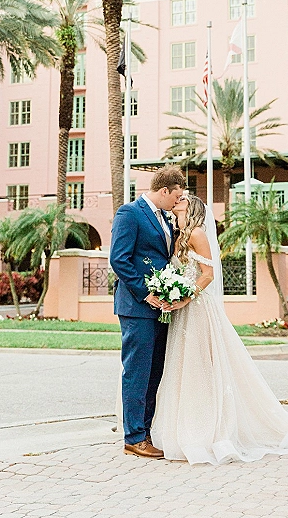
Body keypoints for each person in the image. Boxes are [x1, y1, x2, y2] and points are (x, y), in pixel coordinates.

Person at [151, 194, 288, 465]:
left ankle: (211, 429)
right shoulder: (178, 237)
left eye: (184, 199)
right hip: (180, 313)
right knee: (183, 368)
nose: (179, 199)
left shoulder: (198, 234)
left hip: (198, 309)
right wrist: (169, 292)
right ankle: (183, 427)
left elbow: (208, 274)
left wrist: (186, 296)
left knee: (204, 367)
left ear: (193, 208)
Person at [110, 166, 186, 459]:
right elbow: (120, 259)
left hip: (161, 306)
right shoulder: (129, 213)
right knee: (137, 371)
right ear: (164, 190)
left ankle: (146, 430)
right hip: (137, 306)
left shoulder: (166, 218)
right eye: (175, 196)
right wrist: (147, 292)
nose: (176, 202)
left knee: (154, 372)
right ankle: (134, 437)